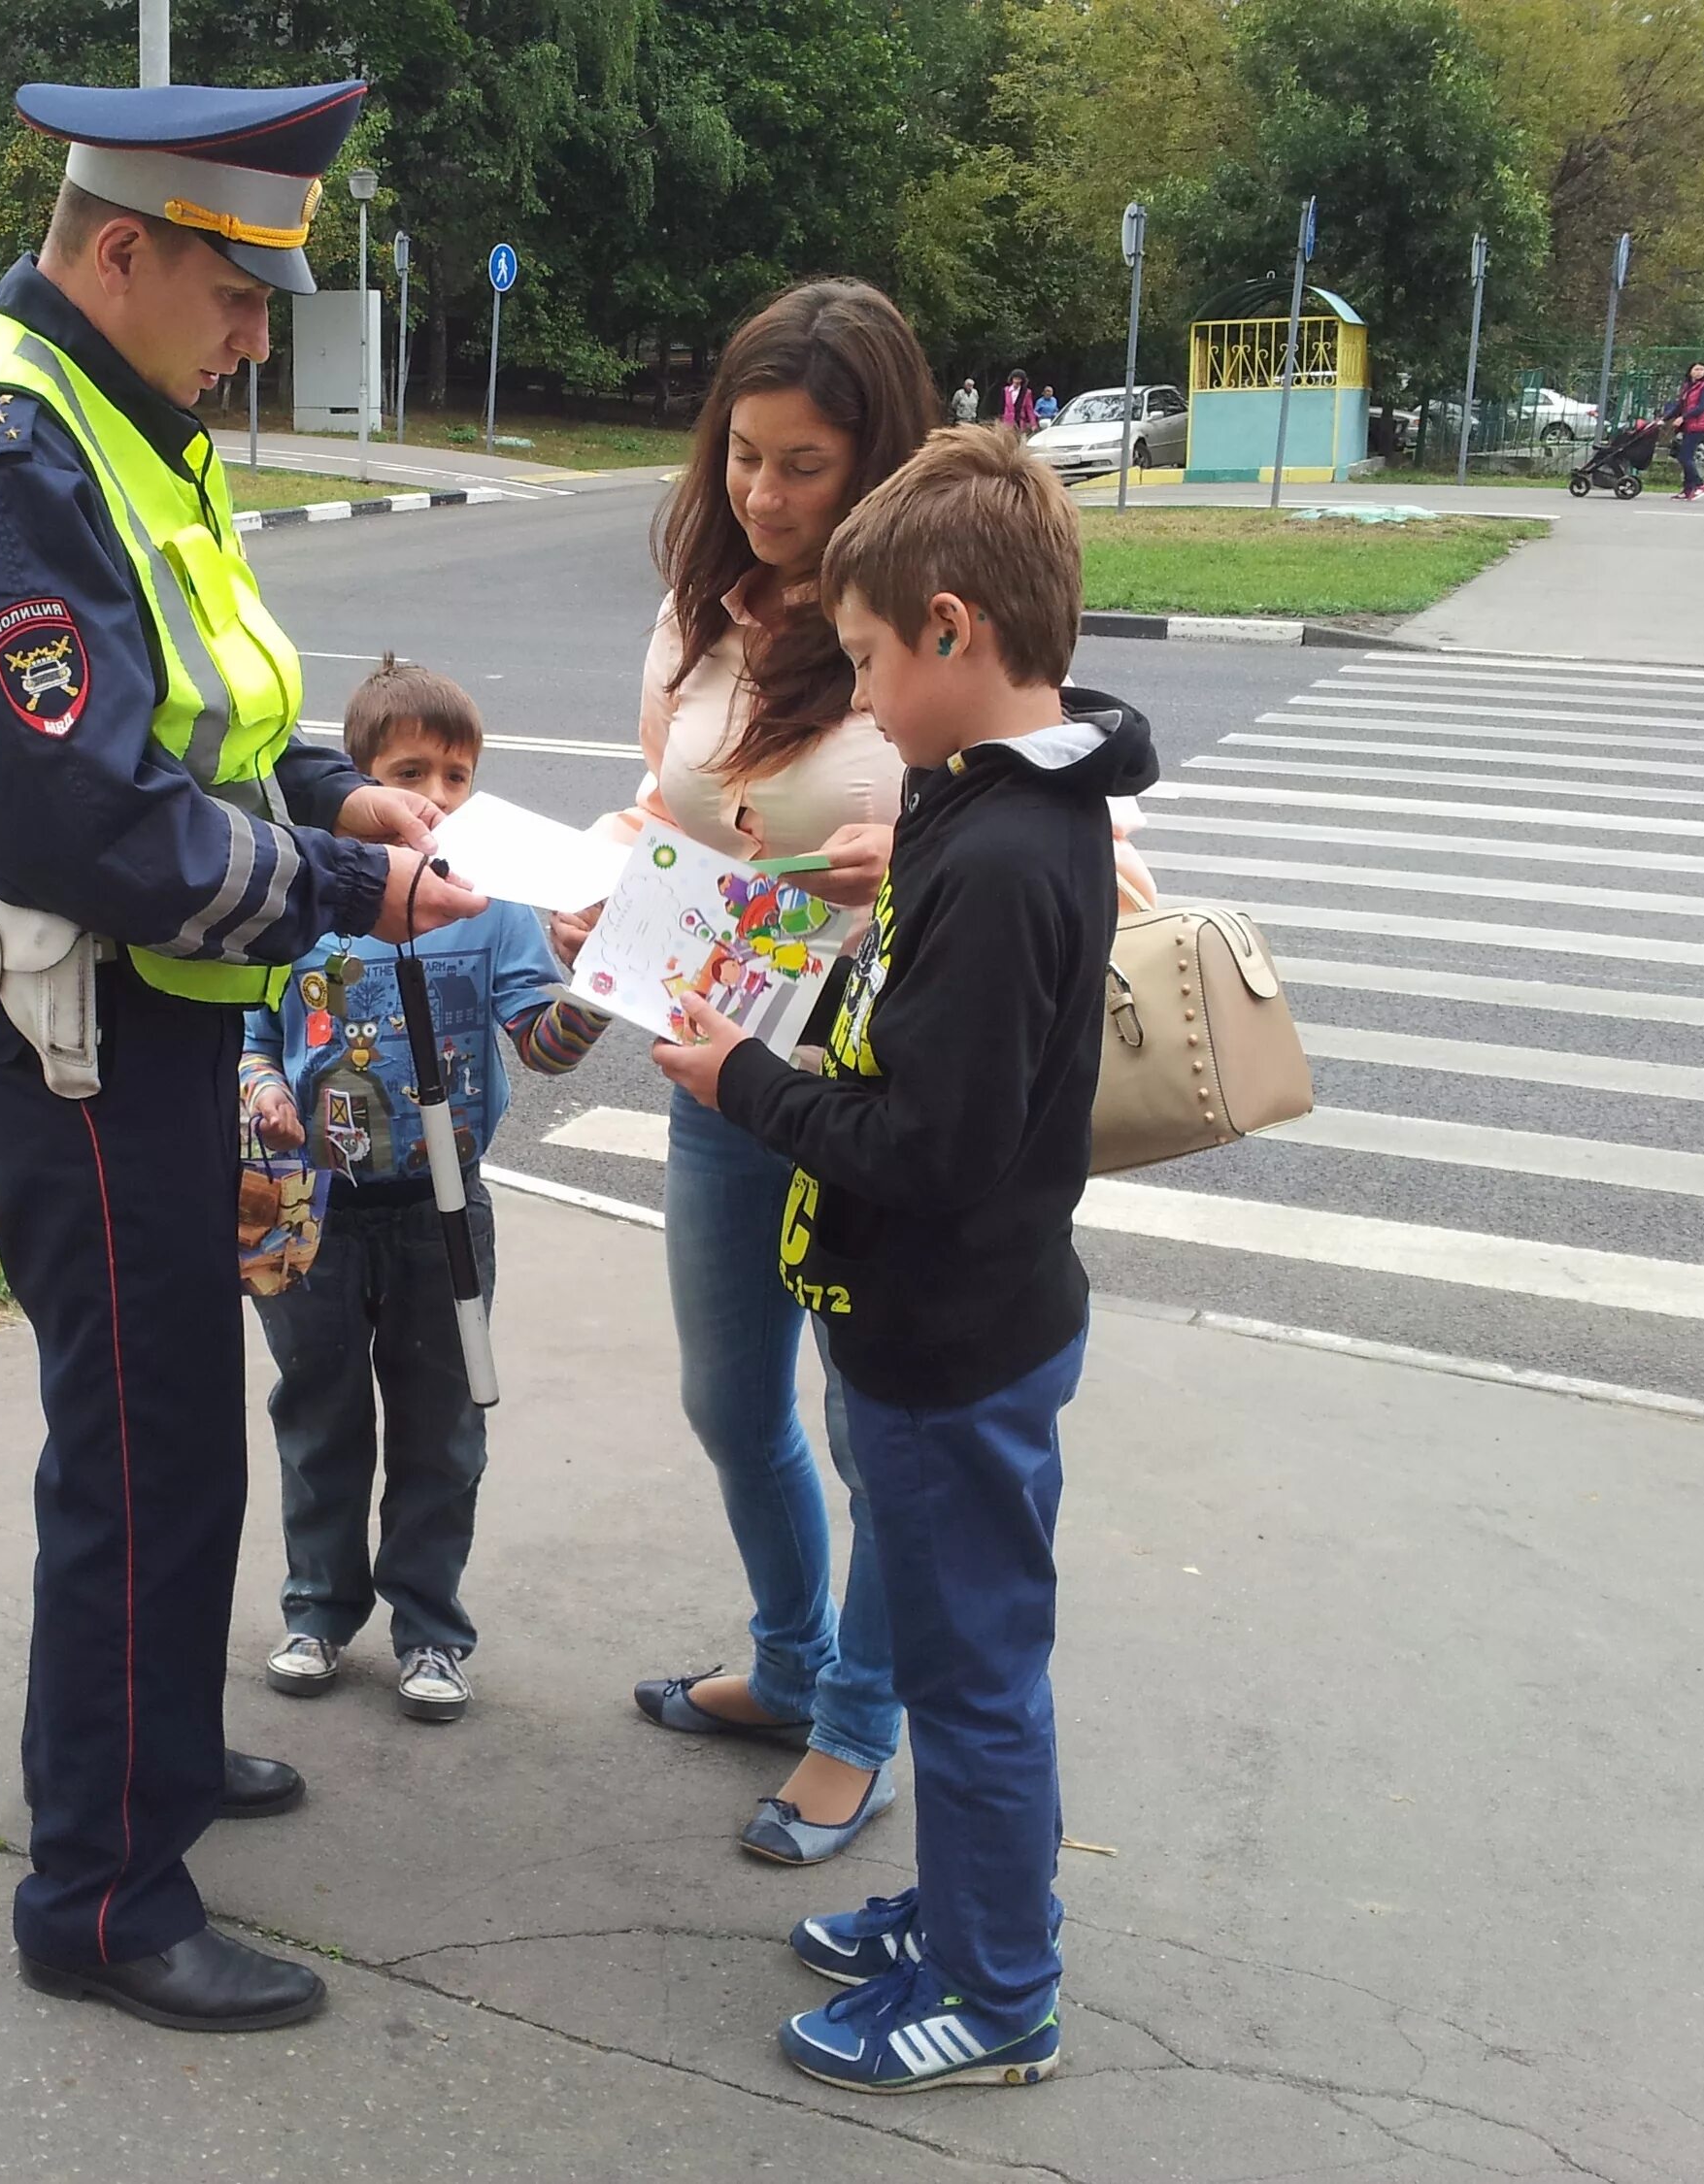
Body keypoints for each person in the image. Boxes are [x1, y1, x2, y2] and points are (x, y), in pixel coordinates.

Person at [0, 76, 487, 2036]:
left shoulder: (120, 427)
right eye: (235, 296)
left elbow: (196, 724)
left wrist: (331, 803)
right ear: (119, 251)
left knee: (175, 1424)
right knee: (142, 1449)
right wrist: (340, 890)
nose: (253, 340)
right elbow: (93, 824)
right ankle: (105, 1894)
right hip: (78, 1015)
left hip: (156, 1018)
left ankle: (155, 1752)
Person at [653, 423, 1160, 2092]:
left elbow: (933, 1152)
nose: (861, 701)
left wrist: (750, 1079)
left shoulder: (1011, 855)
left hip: (958, 1341)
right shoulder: (987, 793)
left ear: (955, 628)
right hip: (933, 1334)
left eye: (869, 659)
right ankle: (959, 1913)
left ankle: (999, 1993)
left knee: (977, 1686)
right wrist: (877, 870)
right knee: (961, 1669)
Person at [555, 279, 935, 1870]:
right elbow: (665, 805)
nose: (764, 499)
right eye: (744, 457)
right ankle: (786, 1666)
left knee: (878, 1434)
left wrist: (905, 853)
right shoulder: (703, 609)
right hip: (719, 1064)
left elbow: (1070, 835)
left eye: (806, 467)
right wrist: (591, 875)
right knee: (733, 1402)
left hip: (880, 1092)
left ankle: (858, 1724)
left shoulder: (934, 609)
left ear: (879, 464)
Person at [241, 658, 611, 1726]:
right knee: (317, 1416)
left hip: (443, 1214)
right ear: (360, 785)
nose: (439, 797)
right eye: (413, 772)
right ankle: (316, 1609)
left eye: (458, 774)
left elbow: (542, 1047)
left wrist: (593, 980)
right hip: (308, 1208)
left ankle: (432, 1632)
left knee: (443, 1429)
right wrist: (264, 1090)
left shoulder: (494, 913)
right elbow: (250, 1032)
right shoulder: (308, 897)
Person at [1663, 362, 1704, 500]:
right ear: (1690, 371)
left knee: (1685, 457)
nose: (1699, 372)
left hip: (1698, 425)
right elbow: (1680, 405)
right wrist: (1664, 418)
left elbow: (1701, 407)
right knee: (1685, 456)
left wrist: (1683, 417)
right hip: (1688, 426)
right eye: (1696, 369)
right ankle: (1688, 490)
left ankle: (1700, 485)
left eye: (1702, 369)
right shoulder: (1688, 387)